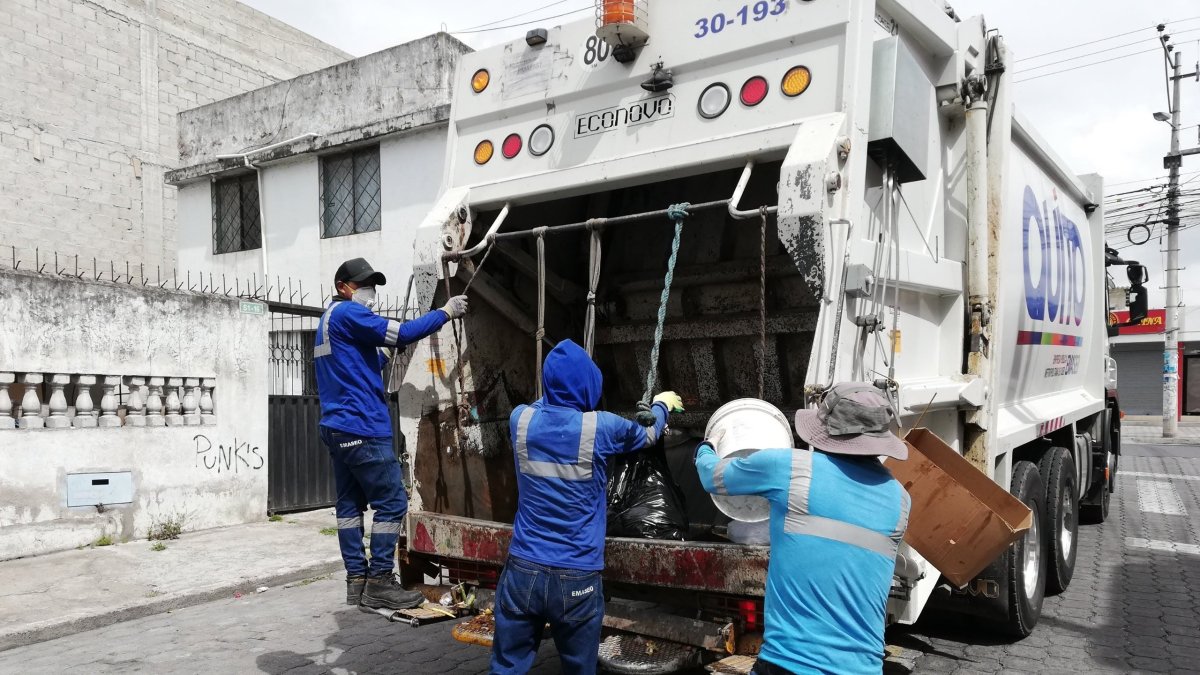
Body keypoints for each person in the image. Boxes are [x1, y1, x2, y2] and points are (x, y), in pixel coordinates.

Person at [490, 339, 684, 675]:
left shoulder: (519, 419)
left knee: (507, 666)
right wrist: (660, 405)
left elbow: (545, 406)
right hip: (576, 575)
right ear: (589, 385)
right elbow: (649, 435)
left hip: (523, 570)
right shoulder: (601, 427)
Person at [694, 383, 911, 675]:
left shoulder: (790, 468)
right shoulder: (900, 500)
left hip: (788, 663)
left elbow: (713, 477)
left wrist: (707, 446)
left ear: (827, 430)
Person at [314, 257, 469, 610]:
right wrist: (445, 312)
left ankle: (357, 581)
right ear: (343, 287)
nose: (369, 293)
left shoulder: (328, 321)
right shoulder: (348, 314)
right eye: (364, 285)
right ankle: (381, 581)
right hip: (362, 426)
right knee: (393, 502)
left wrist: (385, 352)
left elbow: (357, 364)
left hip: (337, 427)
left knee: (350, 506)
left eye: (372, 285)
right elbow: (402, 333)